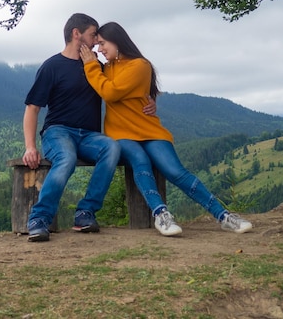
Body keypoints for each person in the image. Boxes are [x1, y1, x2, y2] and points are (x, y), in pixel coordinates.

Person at [79, 22, 253, 237]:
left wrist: (90, 66)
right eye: (97, 45)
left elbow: (111, 93)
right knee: (140, 161)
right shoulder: (106, 66)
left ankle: (223, 215)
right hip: (121, 134)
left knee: (175, 171)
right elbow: (119, 93)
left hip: (149, 130)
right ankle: (161, 214)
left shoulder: (140, 65)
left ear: (118, 40)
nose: (100, 49)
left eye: (103, 43)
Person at [22, 13, 155, 242]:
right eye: (93, 35)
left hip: (90, 136)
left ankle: (85, 213)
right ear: (77, 34)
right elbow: (32, 109)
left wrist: (150, 100)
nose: (96, 41)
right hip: (58, 131)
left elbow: (124, 86)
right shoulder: (52, 66)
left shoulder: (98, 67)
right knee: (66, 158)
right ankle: (39, 218)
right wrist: (30, 147)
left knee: (112, 148)